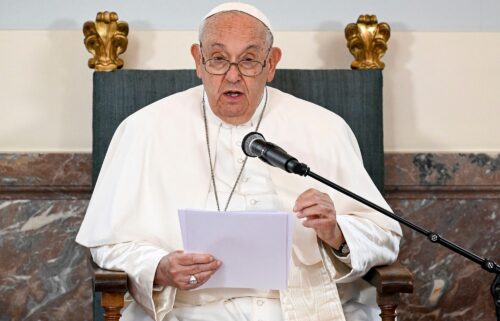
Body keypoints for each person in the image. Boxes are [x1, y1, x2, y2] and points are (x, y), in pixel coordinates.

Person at [76, 3, 402, 321]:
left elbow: (384, 236)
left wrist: (337, 233)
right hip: (187, 311)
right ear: (197, 60)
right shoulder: (143, 129)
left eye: (248, 60)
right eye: (218, 59)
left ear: (271, 63)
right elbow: (108, 244)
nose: (232, 75)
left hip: (301, 309)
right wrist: (158, 267)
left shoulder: (325, 127)